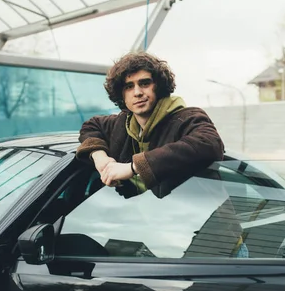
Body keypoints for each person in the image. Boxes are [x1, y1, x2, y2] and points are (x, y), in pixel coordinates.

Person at [75, 52, 224, 197]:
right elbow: (91, 126)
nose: (137, 92)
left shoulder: (188, 118)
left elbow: (209, 144)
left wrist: (133, 167)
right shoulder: (122, 123)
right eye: (129, 86)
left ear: (158, 87)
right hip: (147, 215)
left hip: (203, 217)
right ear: (121, 94)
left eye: (145, 83)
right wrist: (100, 158)